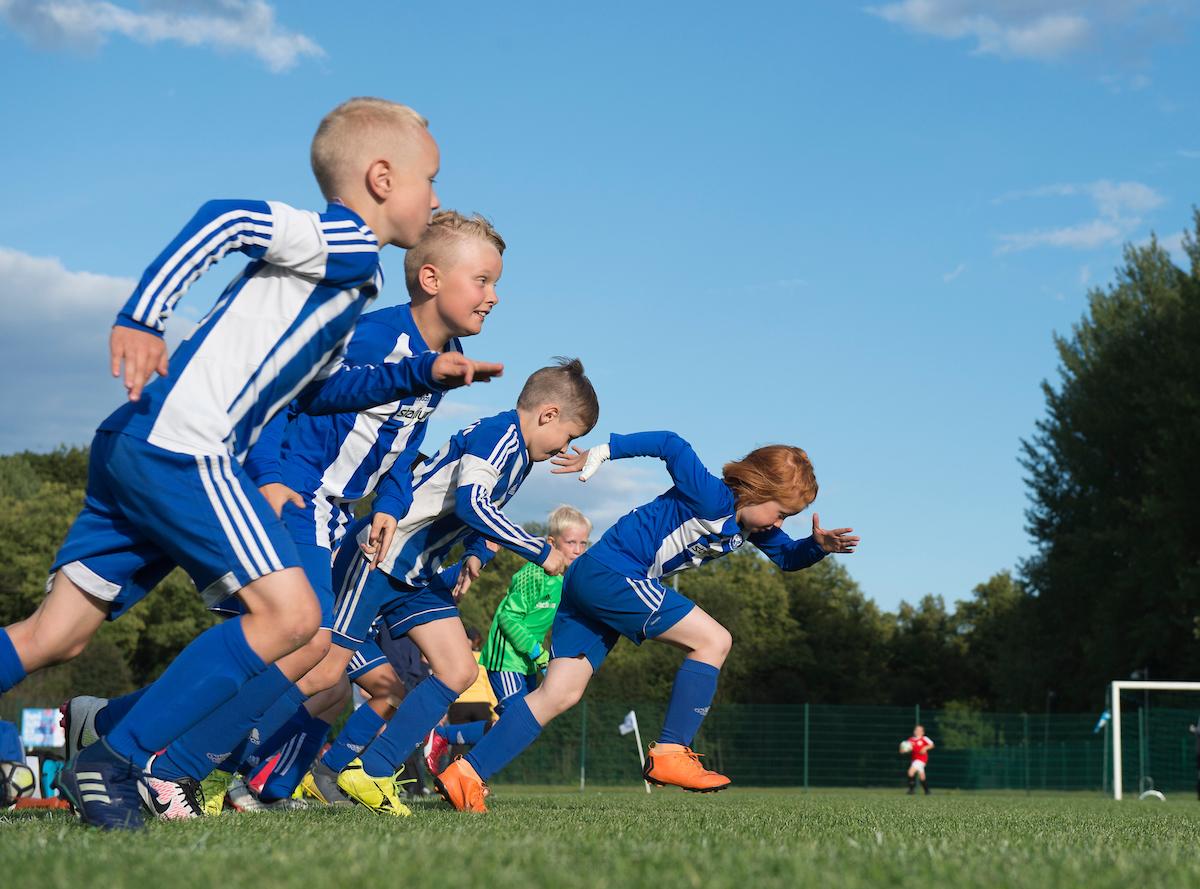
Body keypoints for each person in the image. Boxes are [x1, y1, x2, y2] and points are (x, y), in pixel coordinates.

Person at [0, 97, 497, 831]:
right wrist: (143, 315)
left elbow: (321, 391)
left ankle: (116, 747)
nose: (437, 196)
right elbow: (225, 219)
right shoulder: (341, 240)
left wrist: (418, 376)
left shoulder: (355, 280)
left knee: (56, 634)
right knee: (294, 615)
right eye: (431, 178)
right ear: (382, 178)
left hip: (135, 441)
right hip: (183, 447)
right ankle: (115, 760)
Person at [434, 432, 858, 812]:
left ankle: (466, 774)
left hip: (592, 580)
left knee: (559, 693)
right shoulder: (711, 495)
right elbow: (671, 444)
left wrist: (817, 547)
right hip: (612, 574)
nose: (781, 524)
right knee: (714, 641)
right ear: (757, 488)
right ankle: (672, 750)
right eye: (782, 513)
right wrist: (602, 452)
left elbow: (788, 558)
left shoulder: (751, 528)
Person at [325, 357, 599, 816]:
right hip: (381, 555)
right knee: (318, 672)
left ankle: (370, 772)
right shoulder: (500, 436)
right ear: (548, 414)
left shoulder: (519, 457)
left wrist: (474, 553)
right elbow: (473, 503)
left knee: (458, 670)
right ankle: (200, 765)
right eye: (569, 436)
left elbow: (475, 511)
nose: (564, 447)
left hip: (417, 575)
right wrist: (539, 549)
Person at [426, 505, 590, 772]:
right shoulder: (534, 573)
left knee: (520, 726)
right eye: (571, 542)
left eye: (583, 543)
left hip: (526, 661)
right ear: (551, 543)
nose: (578, 550)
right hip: (506, 658)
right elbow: (508, 619)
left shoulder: (566, 580)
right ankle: (468, 773)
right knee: (519, 722)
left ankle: (447, 739)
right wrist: (538, 653)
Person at [903, 725, 934, 795]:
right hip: (914, 760)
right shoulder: (911, 740)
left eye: (919, 730)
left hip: (922, 759)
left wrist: (925, 748)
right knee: (922, 776)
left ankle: (911, 790)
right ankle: (927, 791)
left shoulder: (924, 738)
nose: (917, 731)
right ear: (914, 731)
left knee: (910, 772)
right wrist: (903, 750)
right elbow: (906, 748)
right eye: (916, 730)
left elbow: (932, 745)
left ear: (923, 732)